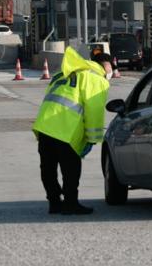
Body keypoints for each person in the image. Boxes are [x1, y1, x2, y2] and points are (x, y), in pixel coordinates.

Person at [32, 47, 113, 215]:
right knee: (71, 169)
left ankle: (54, 202)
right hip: (66, 129)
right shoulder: (96, 79)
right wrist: (92, 139)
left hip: (44, 126)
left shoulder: (63, 74)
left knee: (48, 168)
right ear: (106, 66)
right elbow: (94, 110)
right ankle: (70, 203)